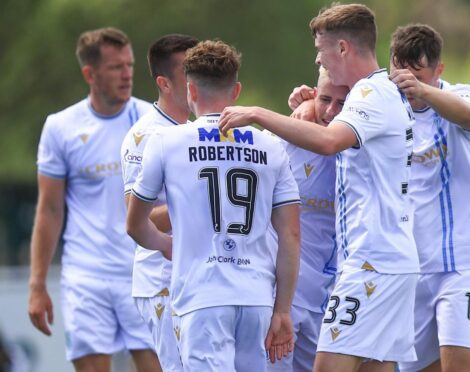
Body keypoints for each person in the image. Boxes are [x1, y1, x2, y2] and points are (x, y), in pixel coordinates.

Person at [219, 4, 419, 372]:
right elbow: (332, 125)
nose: (318, 61)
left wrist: (258, 113)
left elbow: (329, 142)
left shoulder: (370, 94)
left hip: (371, 262)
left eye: (321, 53)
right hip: (394, 261)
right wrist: (311, 103)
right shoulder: (384, 92)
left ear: (342, 49)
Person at [126, 40, 301, 372]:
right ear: (236, 91)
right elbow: (291, 234)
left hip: (202, 298)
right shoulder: (271, 146)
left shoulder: (165, 143)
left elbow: (134, 224)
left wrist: (165, 245)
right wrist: (283, 309)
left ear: (190, 89)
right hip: (257, 298)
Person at [28, 27, 160, 372]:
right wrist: (37, 284)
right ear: (90, 74)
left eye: (130, 65)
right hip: (85, 275)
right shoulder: (60, 127)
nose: (128, 74)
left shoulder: (153, 121)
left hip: (143, 271)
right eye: (116, 67)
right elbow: (50, 209)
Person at [389, 24, 470, 372]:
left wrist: (423, 90)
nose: (409, 87)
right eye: (400, 75)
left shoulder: (461, 95)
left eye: (417, 76)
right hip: (411, 270)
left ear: (439, 71)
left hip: (462, 266)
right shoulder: (386, 109)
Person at [121, 34, 198, 372]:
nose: (198, 80)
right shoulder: (145, 136)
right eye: (189, 72)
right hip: (163, 280)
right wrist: (199, 199)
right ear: (164, 83)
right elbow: (139, 219)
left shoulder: (197, 128)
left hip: (198, 275)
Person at [267, 67, 349, 372]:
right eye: (325, 99)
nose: (330, 111)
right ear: (312, 94)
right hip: (285, 296)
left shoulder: (363, 146)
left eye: (342, 103)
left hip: (335, 299)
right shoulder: (281, 141)